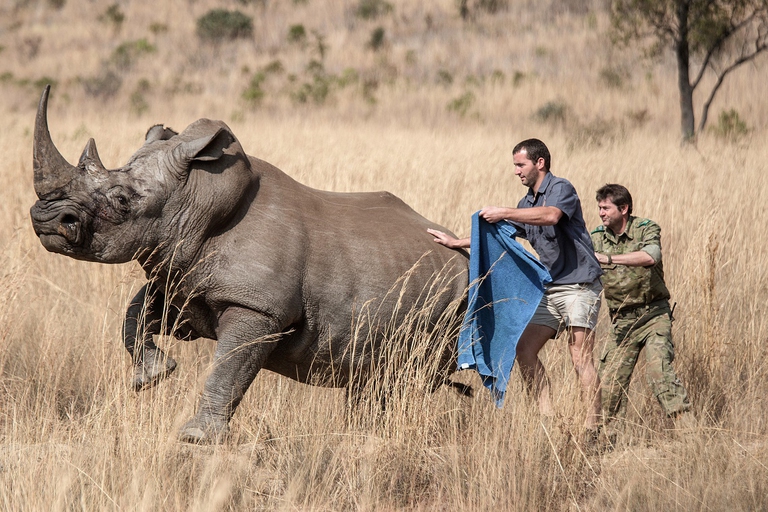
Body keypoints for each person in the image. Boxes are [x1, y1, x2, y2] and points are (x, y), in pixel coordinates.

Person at [428, 138, 603, 430]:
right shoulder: (526, 203)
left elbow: (551, 216)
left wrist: (504, 212)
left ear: (540, 163)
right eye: (515, 166)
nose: (516, 171)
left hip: (579, 286)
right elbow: (500, 237)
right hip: (550, 288)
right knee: (524, 349)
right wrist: (457, 242)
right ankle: (548, 419)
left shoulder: (561, 189)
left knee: (579, 356)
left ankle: (594, 427)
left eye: (520, 165)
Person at [590, 184, 691, 435]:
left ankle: (690, 436)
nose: (601, 213)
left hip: (653, 315)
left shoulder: (645, 228)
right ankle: (606, 443)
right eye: (599, 208)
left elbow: (650, 256)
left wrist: (609, 258)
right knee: (609, 384)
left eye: (606, 208)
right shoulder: (596, 237)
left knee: (660, 372)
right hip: (622, 323)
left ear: (623, 209)